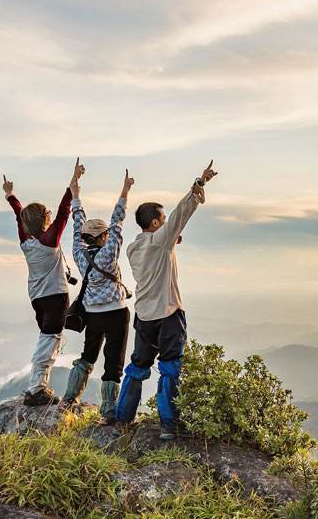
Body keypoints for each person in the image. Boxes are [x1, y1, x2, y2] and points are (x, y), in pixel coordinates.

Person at [115, 160, 218, 440]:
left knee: (138, 366)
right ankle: (169, 425)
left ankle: (122, 416)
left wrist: (172, 239)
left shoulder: (134, 248)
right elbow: (180, 215)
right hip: (168, 314)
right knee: (171, 368)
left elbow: (165, 237)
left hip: (144, 316)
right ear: (155, 223)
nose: (165, 222)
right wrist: (199, 184)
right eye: (161, 219)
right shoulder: (161, 241)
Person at [61, 164, 136, 425]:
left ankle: (69, 398)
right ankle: (108, 412)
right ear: (103, 237)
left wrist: (76, 192)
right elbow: (118, 222)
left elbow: (77, 223)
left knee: (88, 355)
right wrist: (125, 191)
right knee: (113, 363)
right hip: (116, 312)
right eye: (106, 234)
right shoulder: (108, 253)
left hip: (92, 315)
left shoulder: (79, 254)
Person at [3, 159, 81, 406]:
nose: (50, 215)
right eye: (46, 214)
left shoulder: (26, 242)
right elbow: (63, 212)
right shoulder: (49, 242)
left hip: (37, 298)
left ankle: (39, 387)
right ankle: (36, 389)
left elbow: (19, 216)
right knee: (50, 339)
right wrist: (73, 184)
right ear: (44, 219)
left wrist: (10, 196)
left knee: (49, 337)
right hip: (56, 296)